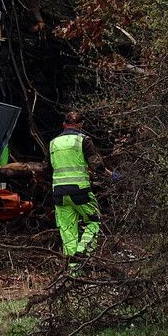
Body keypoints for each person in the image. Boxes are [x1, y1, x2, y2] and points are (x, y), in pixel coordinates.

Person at [49, 111, 117, 260]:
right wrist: (112, 175)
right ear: (81, 125)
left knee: (67, 231)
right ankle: (82, 252)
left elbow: (51, 167)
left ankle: (72, 270)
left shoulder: (53, 143)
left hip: (59, 193)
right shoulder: (83, 140)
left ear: (63, 125)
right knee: (94, 221)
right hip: (80, 191)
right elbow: (96, 165)